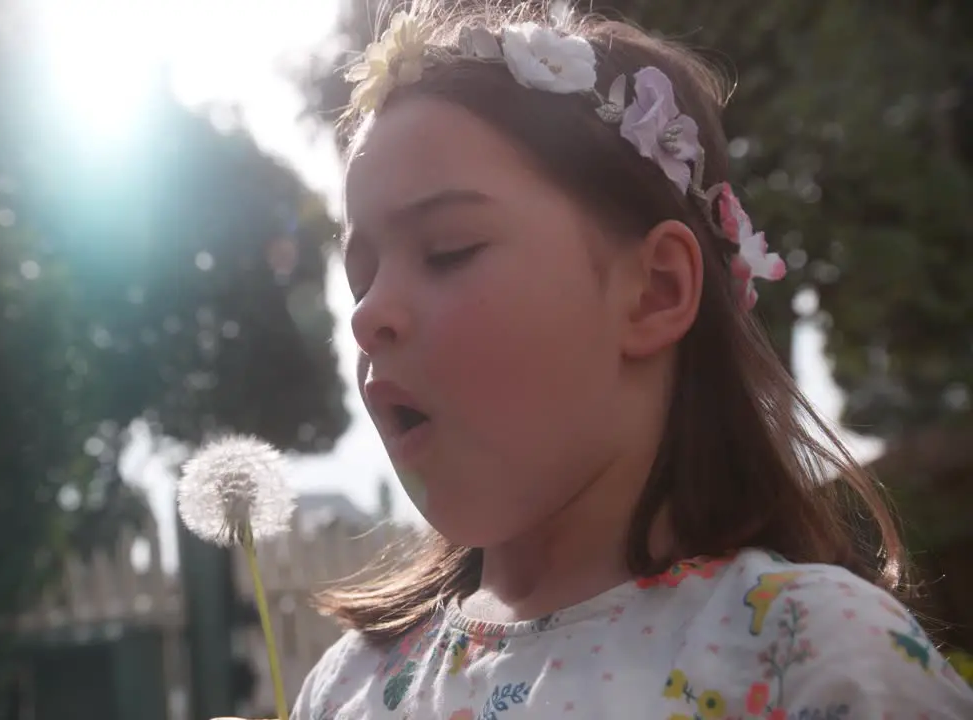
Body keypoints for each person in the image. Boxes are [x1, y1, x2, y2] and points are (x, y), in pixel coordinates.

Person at [231, 2, 973, 719]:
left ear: (654, 291)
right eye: (362, 278)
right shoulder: (349, 687)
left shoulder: (812, 659)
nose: (367, 315)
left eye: (448, 250)